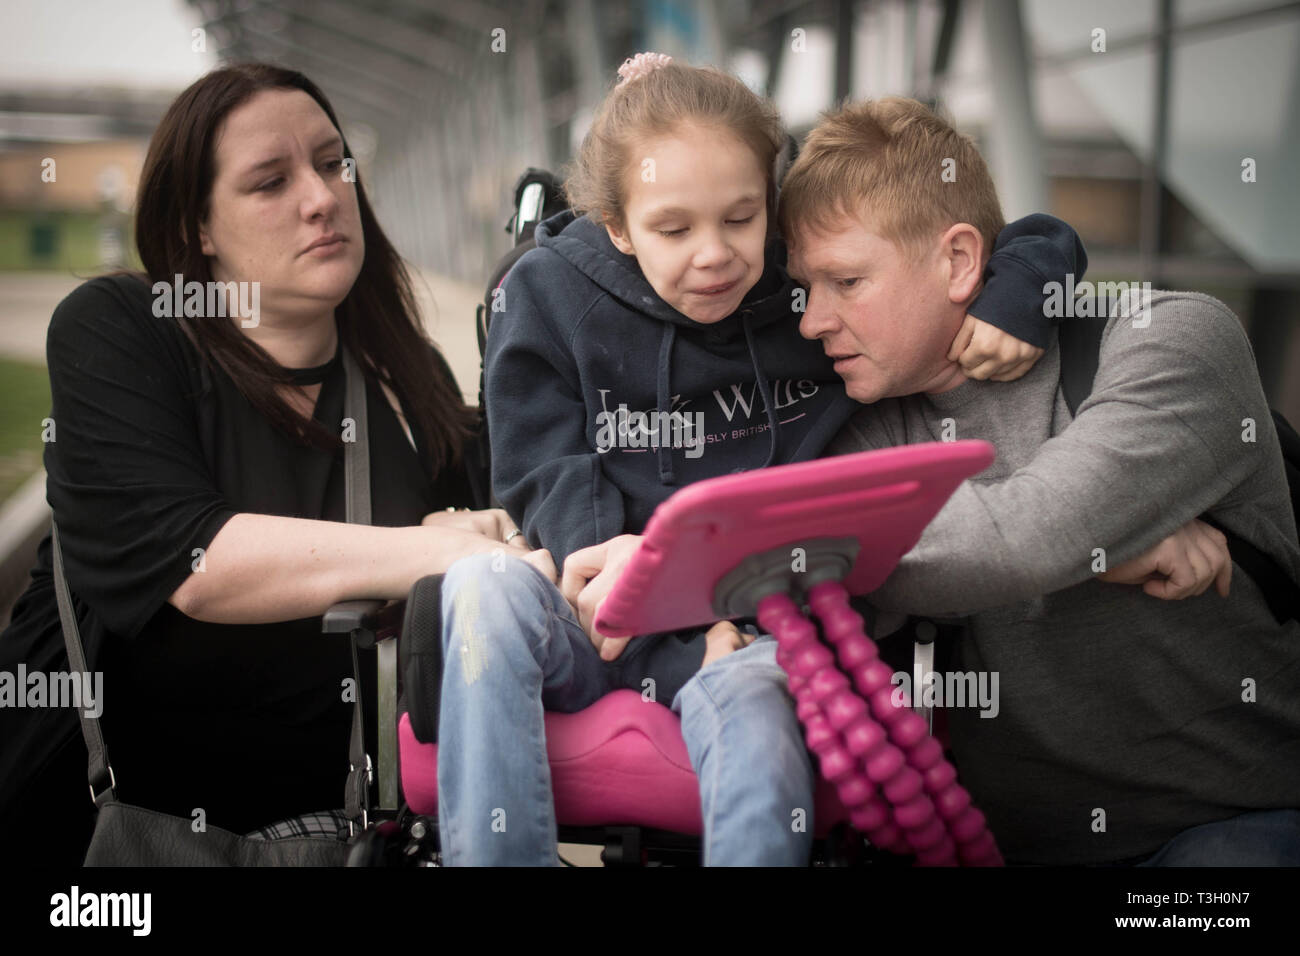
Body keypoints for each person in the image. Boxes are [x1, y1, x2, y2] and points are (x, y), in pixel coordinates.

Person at [435, 54, 1086, 865]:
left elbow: (1014, 236)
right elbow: (549, 483)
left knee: (756, 691)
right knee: (479, 584)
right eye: (674, 229)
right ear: (616, 224)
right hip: (590, 615)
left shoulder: (802, 294)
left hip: (748, 634)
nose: (714, 255)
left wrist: (1022, 289)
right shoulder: (546, 296)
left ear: (771, 207)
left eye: (740, 219)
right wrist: (657, 633)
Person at [0, 63, 552, 867]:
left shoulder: (403, 383)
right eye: (270, 181)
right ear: (197, 227)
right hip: (91, 845)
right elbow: (193, 563)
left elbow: (511, 546)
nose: (323, 196)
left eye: (334, 163)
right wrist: (432, 548)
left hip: (331, 839)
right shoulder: (122, 331)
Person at [777, 97, 1300, 865]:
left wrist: (1062, 545)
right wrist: (1106, 547)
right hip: (1002, 847)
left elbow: (1024, 539)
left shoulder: (1174, 342)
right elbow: (806, 576)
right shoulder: (872, 420)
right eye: (804, 289)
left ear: (958, 261)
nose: (811, 321)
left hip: (1231, 825)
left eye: (846, 281)